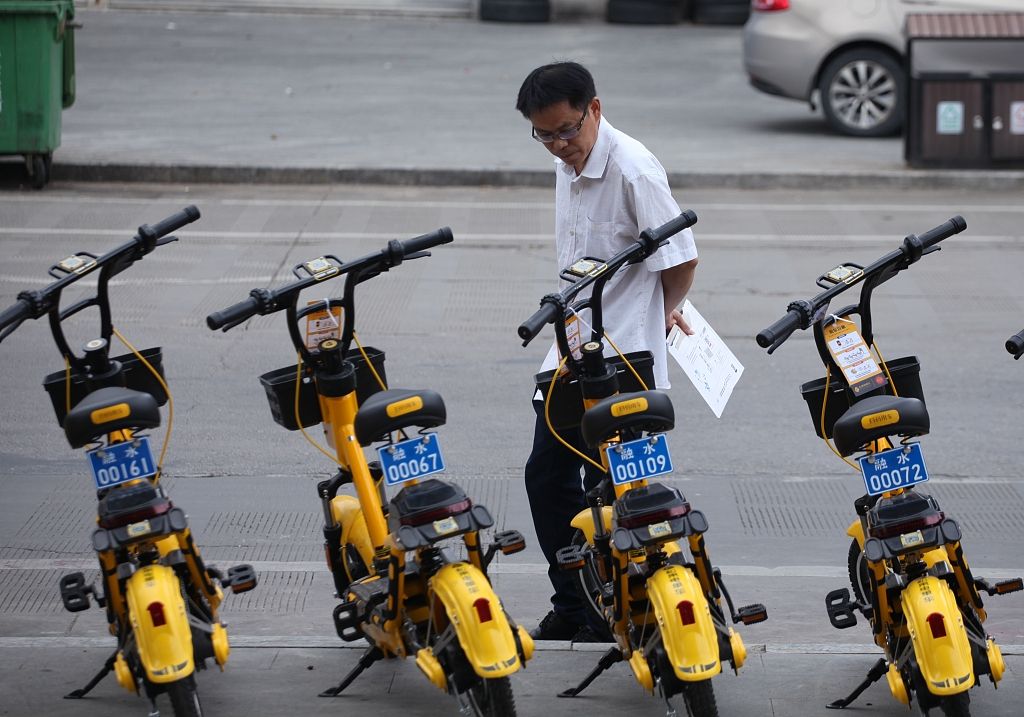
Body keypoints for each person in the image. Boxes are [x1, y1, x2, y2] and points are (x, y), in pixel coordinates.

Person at [516, 61, 699, 641]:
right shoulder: (565, 161)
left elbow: (682, 257)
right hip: (575, 348)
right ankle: (585, 602)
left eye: (567, 130)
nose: (558, 145)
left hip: (625, 356)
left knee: (612, 488)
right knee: (551, 478)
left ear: (595, 108)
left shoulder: (634, 170)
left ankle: (624, 607)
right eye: (544, 135)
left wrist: (659, 309)